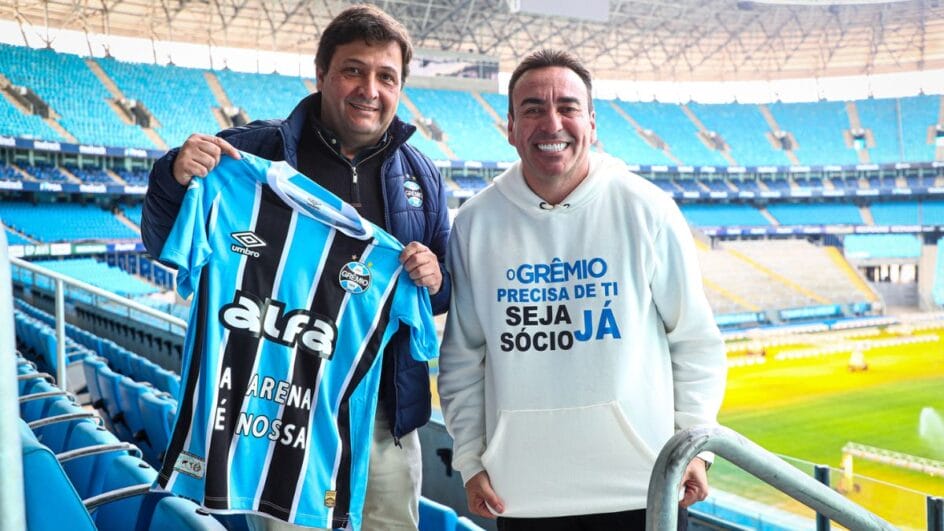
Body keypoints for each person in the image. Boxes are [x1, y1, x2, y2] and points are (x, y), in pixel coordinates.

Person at [141, 5, 451, 529]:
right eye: (353, 70)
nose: (369, 89)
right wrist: (174, 177)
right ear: (322, 75)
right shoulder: (251, 154)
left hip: (381, 419)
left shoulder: (420, 174)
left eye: (386, 76)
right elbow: (163, 239)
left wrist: (434, 278)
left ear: (400, 87)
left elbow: (441, 292)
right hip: (278, 411)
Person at [437, 49, 727, 531]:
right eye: (532, 109)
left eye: (567, 107)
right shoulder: (475, 223)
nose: (552, 123)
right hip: (523, 495)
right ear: (509, 127)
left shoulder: (647, 209)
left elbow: (694, 340)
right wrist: (470, 457)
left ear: (592, 123)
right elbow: (463, 358)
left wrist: (694, 449)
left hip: (645, 486)